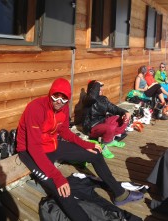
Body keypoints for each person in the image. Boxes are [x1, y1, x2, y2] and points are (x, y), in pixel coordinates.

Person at [16, 78, 143, 221]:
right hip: (30, 152)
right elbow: (34, 148)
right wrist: (58, 177)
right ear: (50, 93)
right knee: (63, 190)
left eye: (64, 98)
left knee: (95, 153)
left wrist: (86, 144)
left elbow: (64, 131)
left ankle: (120, 194)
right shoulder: (36, 108)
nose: (59, 101)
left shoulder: (63, 107)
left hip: (51, 144)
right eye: (56, 96)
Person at [81, 80, 131, 148]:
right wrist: (97, 83)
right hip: (91, 127)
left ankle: (111, 136)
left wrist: (125, 112)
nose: (100, 89)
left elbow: (114, 108)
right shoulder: (87, 99)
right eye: (98, 88)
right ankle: (105, 143)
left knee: (124, 118)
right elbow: (92, 97)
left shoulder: (103, 99)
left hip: (103, 122)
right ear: (92, 90)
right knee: (111, 128)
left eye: (101, 88)